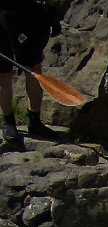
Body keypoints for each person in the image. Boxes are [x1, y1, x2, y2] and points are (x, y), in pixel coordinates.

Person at [0, 0, 62, 150]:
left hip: (31, 18)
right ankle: (9, 123)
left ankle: (34, 122)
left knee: (34, 70)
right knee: (4, 75)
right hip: (2, 22)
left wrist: (52, 14)